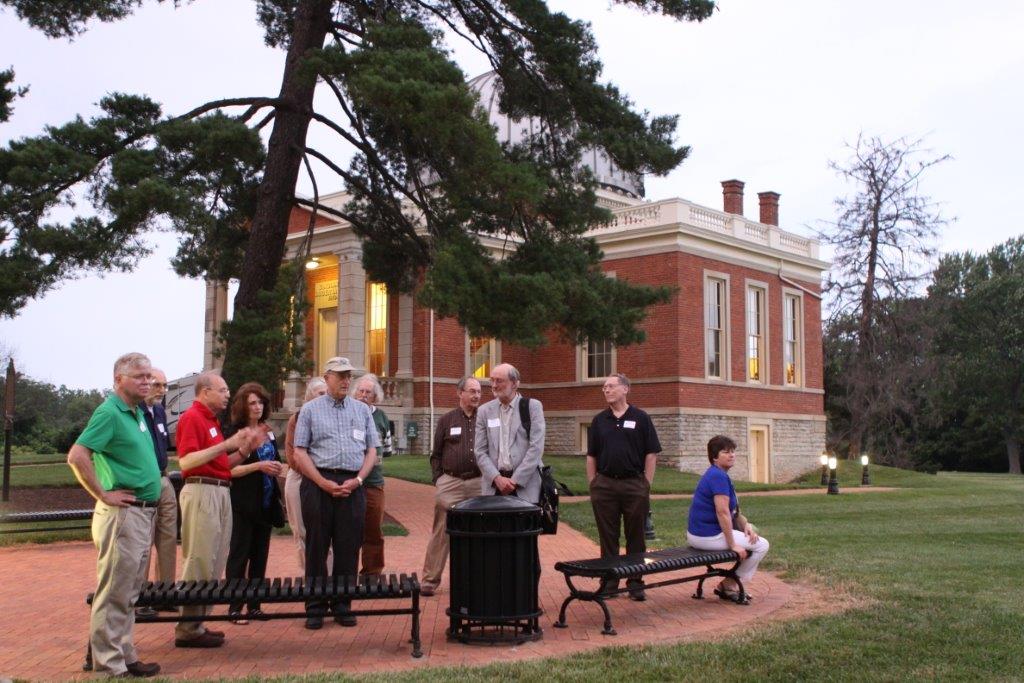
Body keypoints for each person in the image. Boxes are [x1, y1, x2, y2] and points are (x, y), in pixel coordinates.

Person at [67, 352, 162, 678]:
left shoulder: (136, 412)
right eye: (139, 376)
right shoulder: (109, 412)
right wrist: (102, 494)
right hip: (123, 515)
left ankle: (124, 654)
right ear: (118, 379)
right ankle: (108, 665)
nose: (147, 381)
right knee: (114, 592)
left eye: (148, 376)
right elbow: (78, 455)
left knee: (129, 592)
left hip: (141, 515)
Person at [174, 372, 265, 648]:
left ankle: (198, 623)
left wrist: (245, 450)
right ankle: (187, 627)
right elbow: (187, 462)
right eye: (223, 390)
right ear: (204, 392)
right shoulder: (192, 418)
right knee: (199, 558)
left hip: (219, 488)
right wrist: (227, 444)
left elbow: (223, 464)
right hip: (202, 491)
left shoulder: (211, 421)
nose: (228, 394)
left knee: (214, 559)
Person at [290, 357, 379, 630]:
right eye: (339, 375)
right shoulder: (310, 410)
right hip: (319, 484)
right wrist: (321, 482)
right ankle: (315, 606)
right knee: (316, 546)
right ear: (326, 377)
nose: (345, 381)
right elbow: (299, 451)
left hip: (352, 485)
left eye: (348, 376)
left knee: (348, 546)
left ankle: (342, 604)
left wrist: (359, 480)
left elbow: (372, 450)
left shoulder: (362, 411)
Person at [586, 373, 661, 601]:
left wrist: (645, 484)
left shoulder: (641, 418)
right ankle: (609, 581)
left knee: (635, 535)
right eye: (604, 387)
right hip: (605, 485)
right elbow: (591, 456)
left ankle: (635, 581)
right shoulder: (600, 420)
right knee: (608, 536)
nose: (606, 390)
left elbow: (651, 453)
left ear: (625, 389)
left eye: (611, 386)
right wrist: (594, 485)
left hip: (633, 485)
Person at [224, 383, 286, 624]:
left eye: (260, 402)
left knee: (260, 555)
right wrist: (258, 466)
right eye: (252, 403)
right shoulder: (234, 432)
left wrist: (276, 467)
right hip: (242, 502)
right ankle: (234, 606)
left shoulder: (266, 432)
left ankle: (255, 605)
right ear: (243, 406)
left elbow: (276, 460)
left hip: (266, 501)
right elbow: (228, 470)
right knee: (240, 555)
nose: (258, 407)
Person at [686, 435, 770, 602]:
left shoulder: (717, 474)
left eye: (732, 451)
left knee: (754, 540)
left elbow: (732, 512)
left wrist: (745, 525)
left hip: (701, 535)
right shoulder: (718, 476)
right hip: (708, 536)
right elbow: (722, 512)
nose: (731, 455)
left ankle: (730, 584)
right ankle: (729, 585)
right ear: (715, 457)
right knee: (762, 545)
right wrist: (733, 545)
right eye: (725, 452)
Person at [420, 376, 483, 597]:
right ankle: (430, 580)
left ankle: (478, 579)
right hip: (451, 482)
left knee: (479, 531)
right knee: (441, 531)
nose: (476, 395)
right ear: (460, 394)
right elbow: (436, 454)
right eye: (472, 391)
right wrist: (439, 479)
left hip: (478, 482)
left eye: (478, 392)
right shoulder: (447, 420)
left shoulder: (485, 418)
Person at [474, 363, 545, 503]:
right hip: (494, 488)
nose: (494, 385)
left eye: (499, 381)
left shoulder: (532, 407)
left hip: (526, 488)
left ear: (514, 384)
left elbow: (536, 448)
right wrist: (497, 478)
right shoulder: (484, 411)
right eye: (492, 380)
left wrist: (515, 481)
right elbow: (480, 451)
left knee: (525, 525)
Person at [138, 367, 177, 617]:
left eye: (164, 385)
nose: (162, 391)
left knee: (168, 538)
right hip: (144, 484)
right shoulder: (136, 413)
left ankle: (164, 593)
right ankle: (141, 598)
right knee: (143, 542)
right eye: (156, 385)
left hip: (164, 479)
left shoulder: (160, 412)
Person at [284, 377, 328, 571]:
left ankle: (329, 579)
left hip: (326, 478)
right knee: (301, 530)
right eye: (320, 393)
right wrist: (314, 473)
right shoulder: (297, 418)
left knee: (326, 531)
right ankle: (308, 576)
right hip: (300, 477)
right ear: (310, 396)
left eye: (326, 393)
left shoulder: (333, 417)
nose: (324, 397)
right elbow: (292, 456)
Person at [352, 373, 390, 576]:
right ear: (355, 393)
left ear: (375, 397)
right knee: (348, 530)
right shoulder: (347, 413)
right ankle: (346, 573)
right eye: (361, 391)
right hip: (349, 480)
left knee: (373, 529)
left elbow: (387, 448)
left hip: (374, 482)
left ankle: (372, 573)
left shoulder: (381, 417)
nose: (364, 395)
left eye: (369, 392)